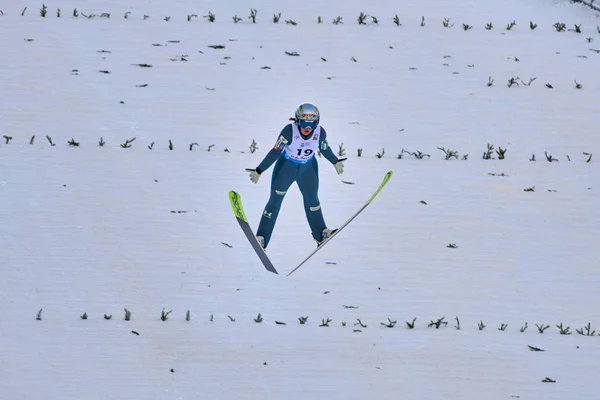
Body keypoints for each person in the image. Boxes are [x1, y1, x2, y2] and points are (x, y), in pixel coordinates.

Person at [246, 102, 346, 249]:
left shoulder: (320, 132)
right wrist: (259, 170)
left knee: (313, 201)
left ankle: (321, 233)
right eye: (304, 123)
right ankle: (262, 237)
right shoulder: (288, 131)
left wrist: (335, 161)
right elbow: (275, 151)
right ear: (297, 120)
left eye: (312, 124)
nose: (307, 128)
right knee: (275, 201)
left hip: (308, 169)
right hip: (286, 167)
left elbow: (324, 149)